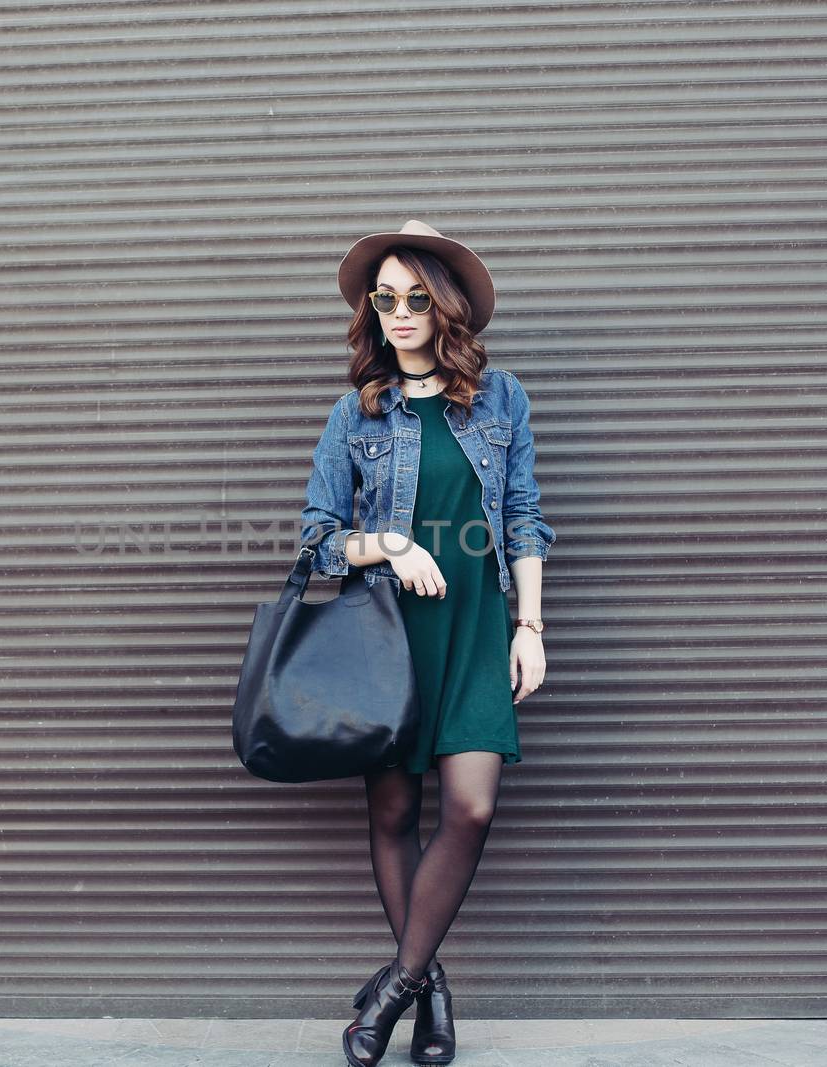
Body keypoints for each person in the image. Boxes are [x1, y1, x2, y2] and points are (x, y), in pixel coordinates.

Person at [298, 220, 555, 1067]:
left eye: (415, 295)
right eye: (385, 297)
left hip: (478, 628)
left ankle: (390, 990)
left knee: (471, 807)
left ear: (444, 304)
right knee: (397, 812)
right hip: (388, 638)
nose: (399, 312)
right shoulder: (355, 412)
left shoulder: (500, 397)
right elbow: (316, 540)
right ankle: (431, 991)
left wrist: (531, 626)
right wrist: (392, 546)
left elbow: (523, 517)